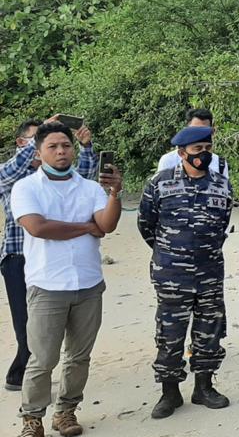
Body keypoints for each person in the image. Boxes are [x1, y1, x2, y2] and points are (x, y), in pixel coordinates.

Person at [12, 122, 122, 437]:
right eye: (53, 147)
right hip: (47, 285)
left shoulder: (89, 188)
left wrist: (114, 192)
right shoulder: (27, 188)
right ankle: (32, 418)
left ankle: (66, 412)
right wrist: (87, 227)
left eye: (66, 146)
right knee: (42, 358)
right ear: (38, 153)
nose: (61, 151)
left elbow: (107, 224)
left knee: (78, 357)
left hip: (88, 284)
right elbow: (38, 227)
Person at [138, 126, 234, 419]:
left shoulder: (222, 185)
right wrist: (172, 251)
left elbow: (222, 226)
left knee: (209, 331)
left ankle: (204, 388)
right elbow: (146, 224)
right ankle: (170, 393)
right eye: (197, 151)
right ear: (181, 154)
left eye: (208, 149)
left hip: (209, 272)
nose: (203, 155)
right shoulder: (161, 183)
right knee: (170, 334)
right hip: (171, 273)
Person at [0, 118, 97, 393]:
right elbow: (11, 170)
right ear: (26, 145)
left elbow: (85, 178)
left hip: (53, 260)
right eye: (44, 144)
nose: (55, 150)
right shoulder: (14, 178)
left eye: (61, 145)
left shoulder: (57, 178)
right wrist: (40, 137)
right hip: (18, 257)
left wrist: (85, 146)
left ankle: (29, 375)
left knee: (48, 329)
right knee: (26, 325)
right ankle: (25, 380)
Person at [157, 109, 229, 177]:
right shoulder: (168, 161)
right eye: (194, 130)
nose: (199, 135)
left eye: (204, 131)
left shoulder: (220, 164)